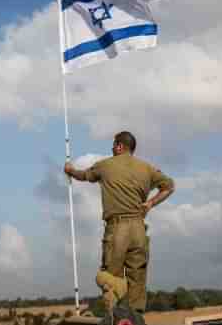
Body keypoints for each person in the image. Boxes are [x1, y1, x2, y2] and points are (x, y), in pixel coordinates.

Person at [64, 131, 175, 313]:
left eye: (114, 144)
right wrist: (150, 203)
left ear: (119, 146)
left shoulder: (106, 165)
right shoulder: (146, 168)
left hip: (117, 229)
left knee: (110, 276)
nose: (112, 148)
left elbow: (83, 175)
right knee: (137, 276)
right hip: (139, 229)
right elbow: (169, 186)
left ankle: (115, 320)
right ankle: (135, 320)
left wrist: (70, 170)